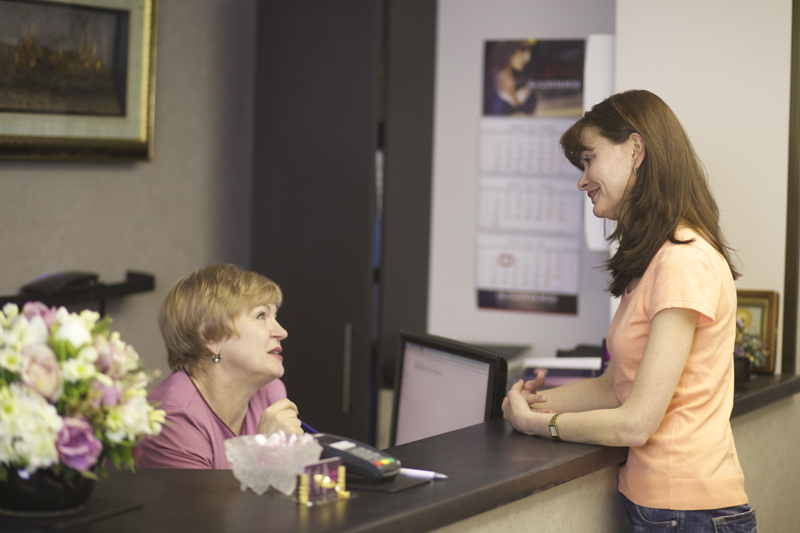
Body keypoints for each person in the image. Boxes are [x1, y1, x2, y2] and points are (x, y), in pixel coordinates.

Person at [502, 90, 757, 532]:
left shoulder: (683, 259)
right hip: (667, 509)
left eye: (589, 160)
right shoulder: (655, 260)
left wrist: (546, 425)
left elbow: (636, 423)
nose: (583, 180)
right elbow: (613, 386)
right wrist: (529, 404)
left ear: (635, 150)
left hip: (690, 511)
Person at [136, 263, 303, 469]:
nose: (282, 332)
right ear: (212, 337)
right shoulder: (174, 418)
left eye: (274, 316)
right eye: (261, 316)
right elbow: (200, 495)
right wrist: (263, 453)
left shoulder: (269, 392)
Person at [484, 40, 538, 116]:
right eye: (523, 49)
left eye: (530, 50)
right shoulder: (488, 79)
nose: (528, 58)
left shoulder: (527, 77)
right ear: (509, 47)